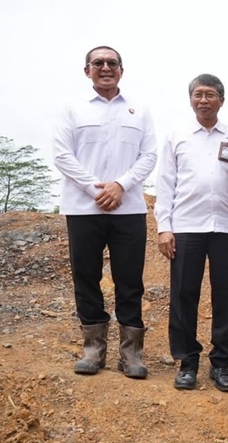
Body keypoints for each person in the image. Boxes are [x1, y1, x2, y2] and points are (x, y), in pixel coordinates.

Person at [53, 45, 157, 379]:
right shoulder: (72, 109)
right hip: (83, 208)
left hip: (129, 209)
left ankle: (131, 354)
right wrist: (95, 189)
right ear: (87, 70)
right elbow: (62, 155)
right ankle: (93, 349)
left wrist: (120, 186)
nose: (106, 67)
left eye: (112, 63)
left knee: (130, 280)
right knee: (86, 277)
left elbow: (149, 155)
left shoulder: (139, 110)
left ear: (121, 70)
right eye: (98, 63)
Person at [155, 74, 228, 392]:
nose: (204, 100)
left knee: (225, 296)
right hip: (186, 227)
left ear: (222, 100)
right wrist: (164, 227)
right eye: (198, 94)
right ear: (190, 99)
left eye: (210, 95)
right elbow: (165, 183)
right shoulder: (176, 136)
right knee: (183, 294)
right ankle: (187, 362)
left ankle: (221, 363)